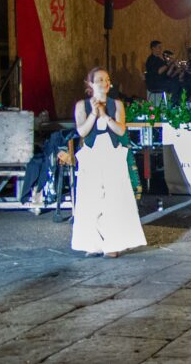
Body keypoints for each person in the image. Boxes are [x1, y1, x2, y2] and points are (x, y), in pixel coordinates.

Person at [71, 67, 146, 257]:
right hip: (92, 155)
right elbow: (82, 132)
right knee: (91, 199)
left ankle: (114, 243)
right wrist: (94, 114)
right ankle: (93, 243)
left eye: (106, 80)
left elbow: (121, 130)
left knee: (115, 199)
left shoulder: (117, 104)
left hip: (112, 154)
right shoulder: (82, 105)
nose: (104, 84)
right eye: (99, 80)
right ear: (90, 84)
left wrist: (105, 115)